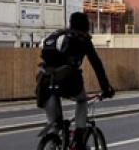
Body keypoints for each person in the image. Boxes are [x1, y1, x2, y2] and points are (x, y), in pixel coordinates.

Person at [37, 12, 115, 149]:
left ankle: (53, 140)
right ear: (86, 26)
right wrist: (106, 88)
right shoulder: (83, 39)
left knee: (55, 125)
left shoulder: (57, 35)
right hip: (67, 81)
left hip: (44, 81)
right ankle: (79, 137)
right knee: (82, 100)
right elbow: (97, 65)